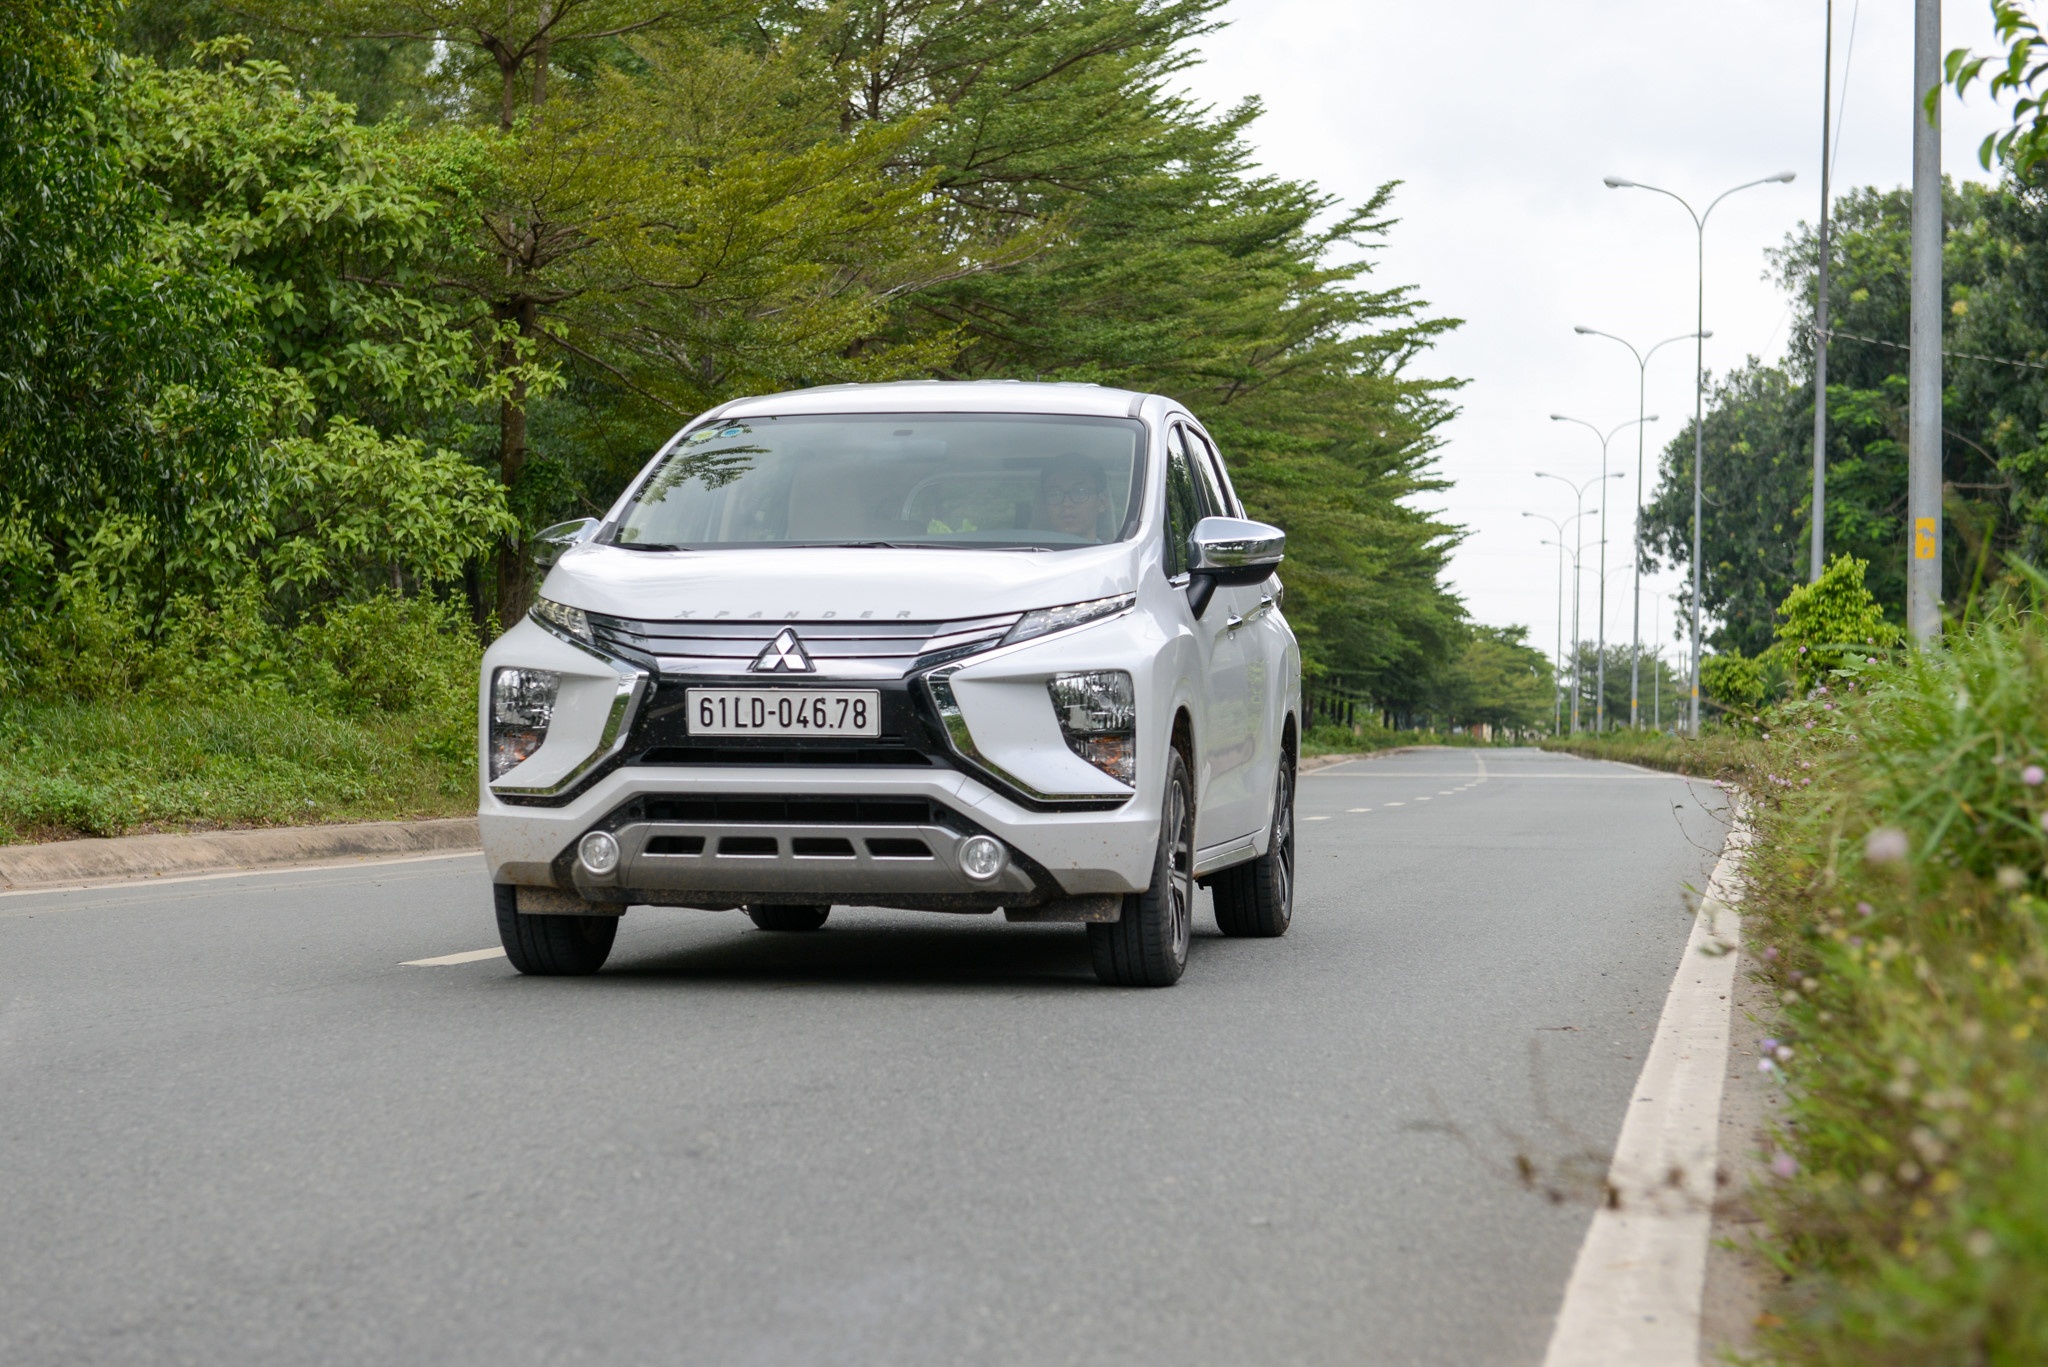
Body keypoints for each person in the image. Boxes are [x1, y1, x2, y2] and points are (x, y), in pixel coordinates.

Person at [1039, 454, 1106, 541]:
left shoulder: (1120, 553)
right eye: (1055, 494)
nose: (1066, 503)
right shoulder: (1029, 554)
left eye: (1079, 492)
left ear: (1101, 502)